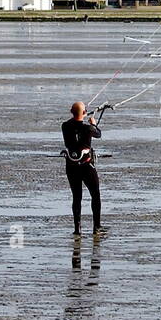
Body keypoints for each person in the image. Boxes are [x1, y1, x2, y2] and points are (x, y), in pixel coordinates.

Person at [62, 101, 104, 236]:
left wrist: (81, 114)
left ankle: (77, 228)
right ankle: (96, 227)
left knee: (77, 197)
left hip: (71, 167)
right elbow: (98, 134)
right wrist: (93, 123)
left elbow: (72, 122)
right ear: (85, 113)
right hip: (86, 166)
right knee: (95, 195)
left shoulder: (65, 126)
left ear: (71, 112)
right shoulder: (88, 129)